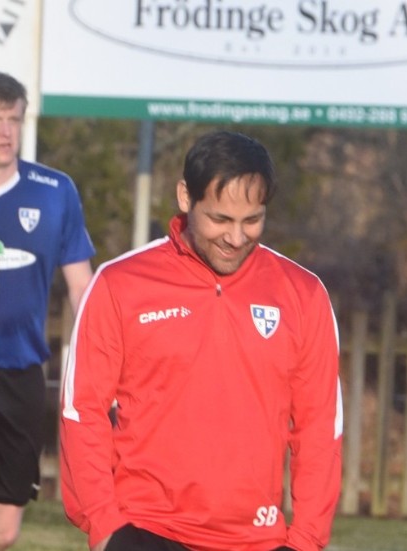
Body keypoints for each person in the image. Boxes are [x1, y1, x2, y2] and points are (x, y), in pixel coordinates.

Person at [59, 131, 343, 551]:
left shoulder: (303, 294)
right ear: (184, 197)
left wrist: (305, 541)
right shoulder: (121, 284)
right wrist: (104, 526)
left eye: (252, 220)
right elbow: (81, 411)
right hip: (145, 531)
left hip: (258, 539)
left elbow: (319, 427)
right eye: (220, 220)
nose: (235, 237)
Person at [0, 70, 95, 551]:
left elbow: (83, 286)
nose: (6, 131)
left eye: (14, 119)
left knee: (2, 531)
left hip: (23, 373)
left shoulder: (54, 191)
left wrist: (105, 361)